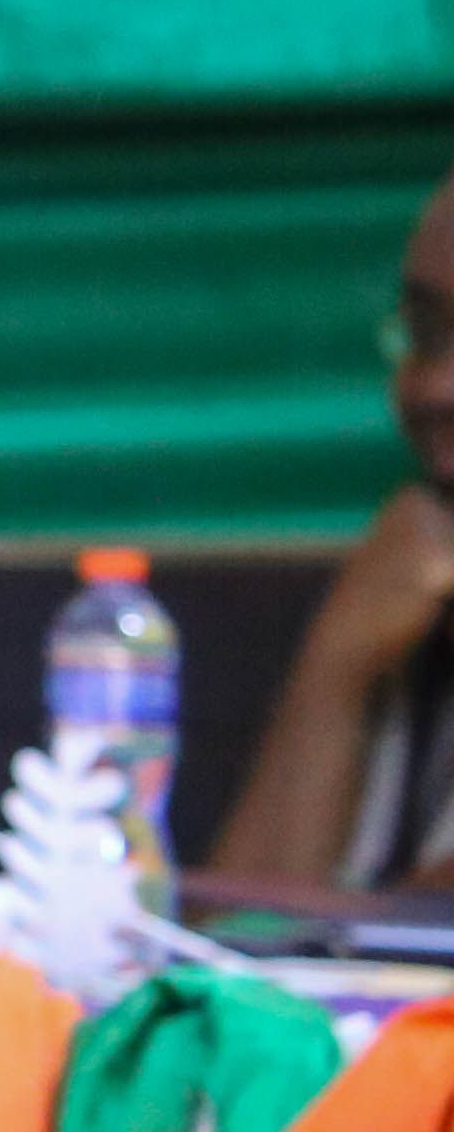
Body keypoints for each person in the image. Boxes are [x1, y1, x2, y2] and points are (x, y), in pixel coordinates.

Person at [205, 175, 454, 888]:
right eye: (428, 333)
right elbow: (233, 954)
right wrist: (334, 674)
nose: (437, 386)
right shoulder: (409, 596)